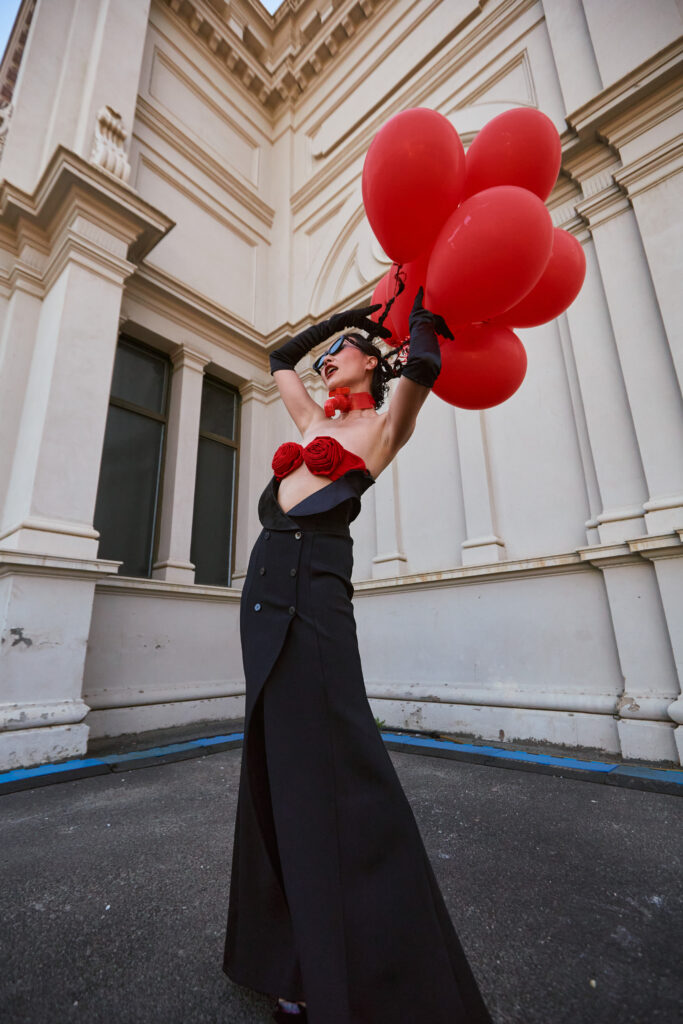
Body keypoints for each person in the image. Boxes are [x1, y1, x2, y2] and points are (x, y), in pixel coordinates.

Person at [222, 287, 493, 1024]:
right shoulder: (310, 416)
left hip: (315, 605)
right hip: (261, 602)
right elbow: (280, 355)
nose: (326, 359)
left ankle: (374, 970)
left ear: (370, 368)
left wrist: (426, 306)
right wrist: (343, 321)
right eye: (331, 351)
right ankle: (290, 956)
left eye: (340, 352)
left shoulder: (381, 427)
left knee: (339, 771)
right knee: (276, 770)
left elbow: (427, 363)